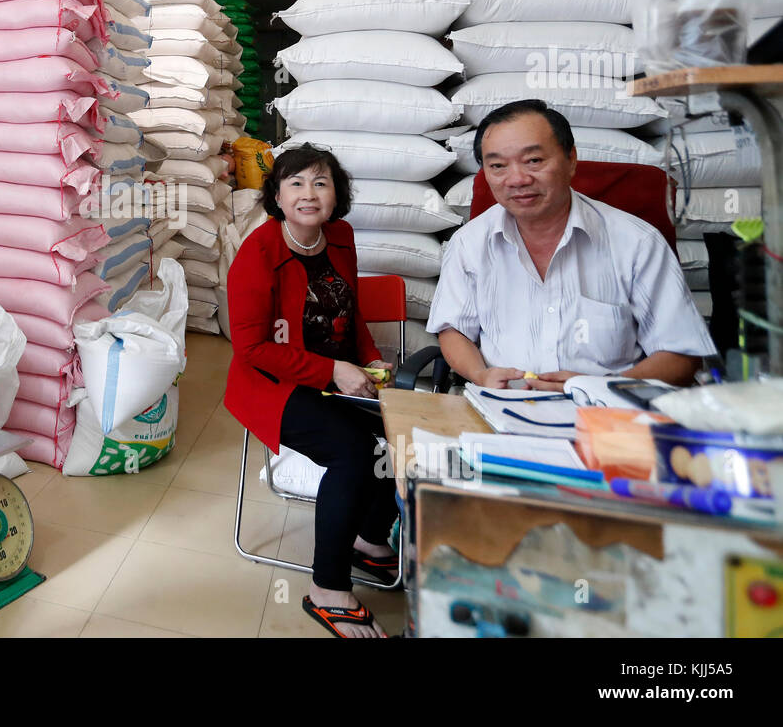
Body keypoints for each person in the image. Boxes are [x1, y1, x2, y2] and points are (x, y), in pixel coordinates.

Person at [225, 144, 398, 638]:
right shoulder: (257, 254)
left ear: (336, 195)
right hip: (273, 386)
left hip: (335, 375)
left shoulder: (340, 238)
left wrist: (367, 361)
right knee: (354, 451)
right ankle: (327, 589)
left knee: (402, 430)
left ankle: (367, 538)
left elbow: (353, 313)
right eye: (295, 183)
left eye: (320, 183)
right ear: (276, 195)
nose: (308, 194)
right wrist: (332, 372)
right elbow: (252, 348)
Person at [428, 99, 716, 391]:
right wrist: (480, 374)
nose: (517, 179)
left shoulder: (638, 243)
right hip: (500, 408)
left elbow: (681, 354)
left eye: (534, 161)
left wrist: (595, 388)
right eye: (498, 166)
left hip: (608, 415)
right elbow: (453, 329)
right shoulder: (469, 243)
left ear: (571, 160)